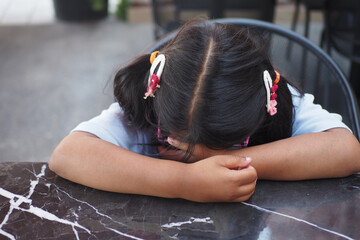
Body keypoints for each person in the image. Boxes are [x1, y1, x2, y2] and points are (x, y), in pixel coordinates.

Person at [49, 20, 360, 203]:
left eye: (230, 142)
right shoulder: (147, 103)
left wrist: (214, 160)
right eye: (176, 142)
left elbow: (347, 150)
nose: (194, 152)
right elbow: (68, 155)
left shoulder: (279, 100)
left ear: (261, 109)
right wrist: (183, 180)